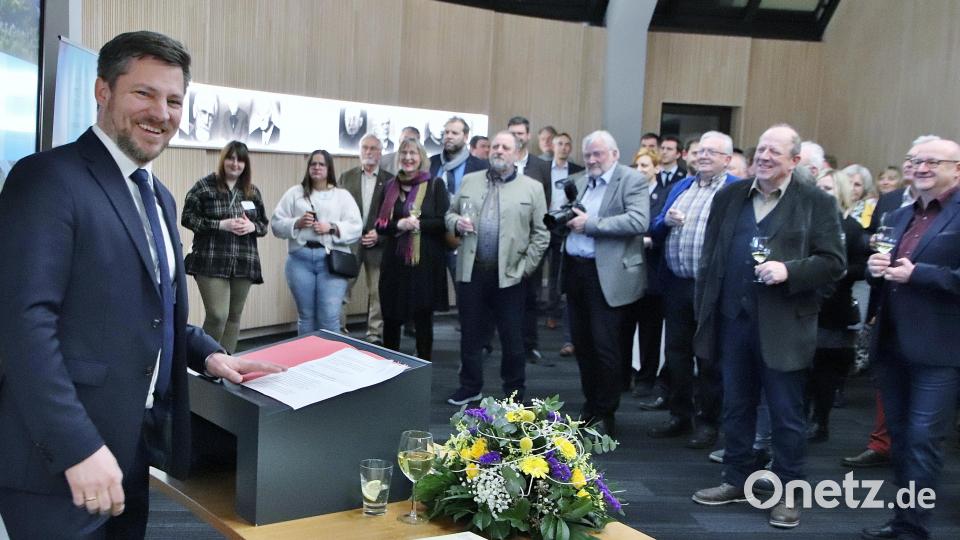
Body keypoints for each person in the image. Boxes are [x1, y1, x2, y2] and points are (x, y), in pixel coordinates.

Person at [0, 31, 284, 538]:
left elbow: (153, 304)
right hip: (59, 461)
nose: (162, 112)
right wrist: (76, 447)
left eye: (174, 100)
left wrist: (208, 353)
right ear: (103, 90)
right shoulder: (46, 179)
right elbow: (21, 326)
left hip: (132, 448)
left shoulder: (159, 196)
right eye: (144, 93)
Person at [691, 124, 845, 529]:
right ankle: (736, 478)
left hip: (785, 327)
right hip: (733, 322)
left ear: (795, 160)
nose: (763, 157)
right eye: (760, 150)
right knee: (737, 406)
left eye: (774, 152)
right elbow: (711, 259)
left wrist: (789, 272)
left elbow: (833, 263)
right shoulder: (730, 196)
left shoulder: (815, 201)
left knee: (786, 414)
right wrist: (705, 310)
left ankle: (789, 491)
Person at [860, 138, 960, 540]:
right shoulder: (900, 214)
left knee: (923, 440)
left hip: (940, 349)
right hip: (893, 344)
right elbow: (884, 274)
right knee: (900, 440)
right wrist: (874, 267)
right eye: (915, 161)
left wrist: (920, 274)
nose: (921, 167)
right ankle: (903, 521)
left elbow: (921, 273)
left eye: (932, 162)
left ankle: (914, 529)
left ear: (957, 168)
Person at [643, 132, 740, 450]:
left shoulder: (737, 189)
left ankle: (709, 422)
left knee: (709, 355)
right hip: (676, 282)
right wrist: (666, 222)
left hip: (712, 287)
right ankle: (679, 414)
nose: (704, 156)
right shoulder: (681, 187)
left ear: (727, 159)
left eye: (713, 152)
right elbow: (654, 228)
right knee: (676, 353)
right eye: (700, 151)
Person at [444, 131, 549, 406]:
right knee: (470, 334)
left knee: (512, 338)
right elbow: (450, 214)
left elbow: (542, 234)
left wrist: (526, 268)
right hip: (472, 271)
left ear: (516, 154)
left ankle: (514, 393)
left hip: (511, 276)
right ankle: (470, 387)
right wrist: (455, 223)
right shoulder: (470, 181)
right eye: (495, 147)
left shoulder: (532, 188)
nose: (499, 151)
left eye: (505, 147)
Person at [563, 130, 649, 438]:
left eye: (598, 154)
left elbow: (639, 221)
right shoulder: (580, 180)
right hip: (576, 271)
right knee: (583, 346)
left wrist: (592, 225)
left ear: (614, 154)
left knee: (606, 348)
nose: (592, 160)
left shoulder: (631, 180)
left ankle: (606, 411)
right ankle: (591, 406)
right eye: (587, 155)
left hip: (610, 276)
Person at [182, 141, 269, 353]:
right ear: (223, 160)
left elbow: (264, 225)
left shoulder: (252, 192)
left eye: (240, 160)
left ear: (246, 165)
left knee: (234, 316)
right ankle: (203, 361)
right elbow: (187, 218)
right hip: (211, 260)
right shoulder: (204, 186)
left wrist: (251, 226)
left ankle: (227, 362)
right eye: (231, 158)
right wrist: (220, 225)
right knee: (218, 315)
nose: (235, 164)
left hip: (243, 261)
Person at [805, 169, 868, 443]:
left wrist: (838, 270)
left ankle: (820, 421)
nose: (821, 193)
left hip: (834, 308)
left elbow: (862, 266)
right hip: (803, 304)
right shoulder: (804, 223)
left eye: (828, 189)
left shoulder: (853, 228)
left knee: (825, 371)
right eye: (819, 188)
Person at [375, 138, 450, 360]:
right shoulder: (388, 186)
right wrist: (398, 224)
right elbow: (380, 225)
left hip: (424, 263)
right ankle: (390, 365)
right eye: (404, 153)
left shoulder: (435, 185)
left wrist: (419, 224)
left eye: (413, 153)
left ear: (422, 158)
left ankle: (423, 364)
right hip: (394, 262)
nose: (408, 158)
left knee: (422, 317)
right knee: (391, 316)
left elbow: (443, 221)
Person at [272, 150, 362, 334]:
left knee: (329, 315)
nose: (317, 168)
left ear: (329, 168)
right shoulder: (295, 193)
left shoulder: (341, 195)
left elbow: (356, 227)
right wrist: (296, 222)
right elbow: (275, 224)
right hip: (300, 259)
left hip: (331, 260)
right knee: (306, 315)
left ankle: (331, 361)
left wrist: (332, 227)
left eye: (322, 164)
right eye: (313, 164)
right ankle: (306, 361)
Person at [506, 116, 552, 364]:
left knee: (529, 298)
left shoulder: (542, 166)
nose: (516, 137)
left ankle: (529, 345)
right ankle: (495, 344)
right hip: (505, 243)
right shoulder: (500, 163)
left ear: (528, 135)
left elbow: (545, 208)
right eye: (512, 132)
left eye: (520, 133)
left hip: (532, 243)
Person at [339, 134, 391, 345]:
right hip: (350, 242)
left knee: (377, 291)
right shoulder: (346, 177)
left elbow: (394, 213)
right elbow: (338, 208)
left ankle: (374, 334)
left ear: (380, 153)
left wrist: (380, 234)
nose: (369, 152)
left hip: (377, 243)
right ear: (359, 152)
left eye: (373, 148)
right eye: (365, 148)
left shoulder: (390, 180)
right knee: (342, 288)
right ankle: (339, 331)